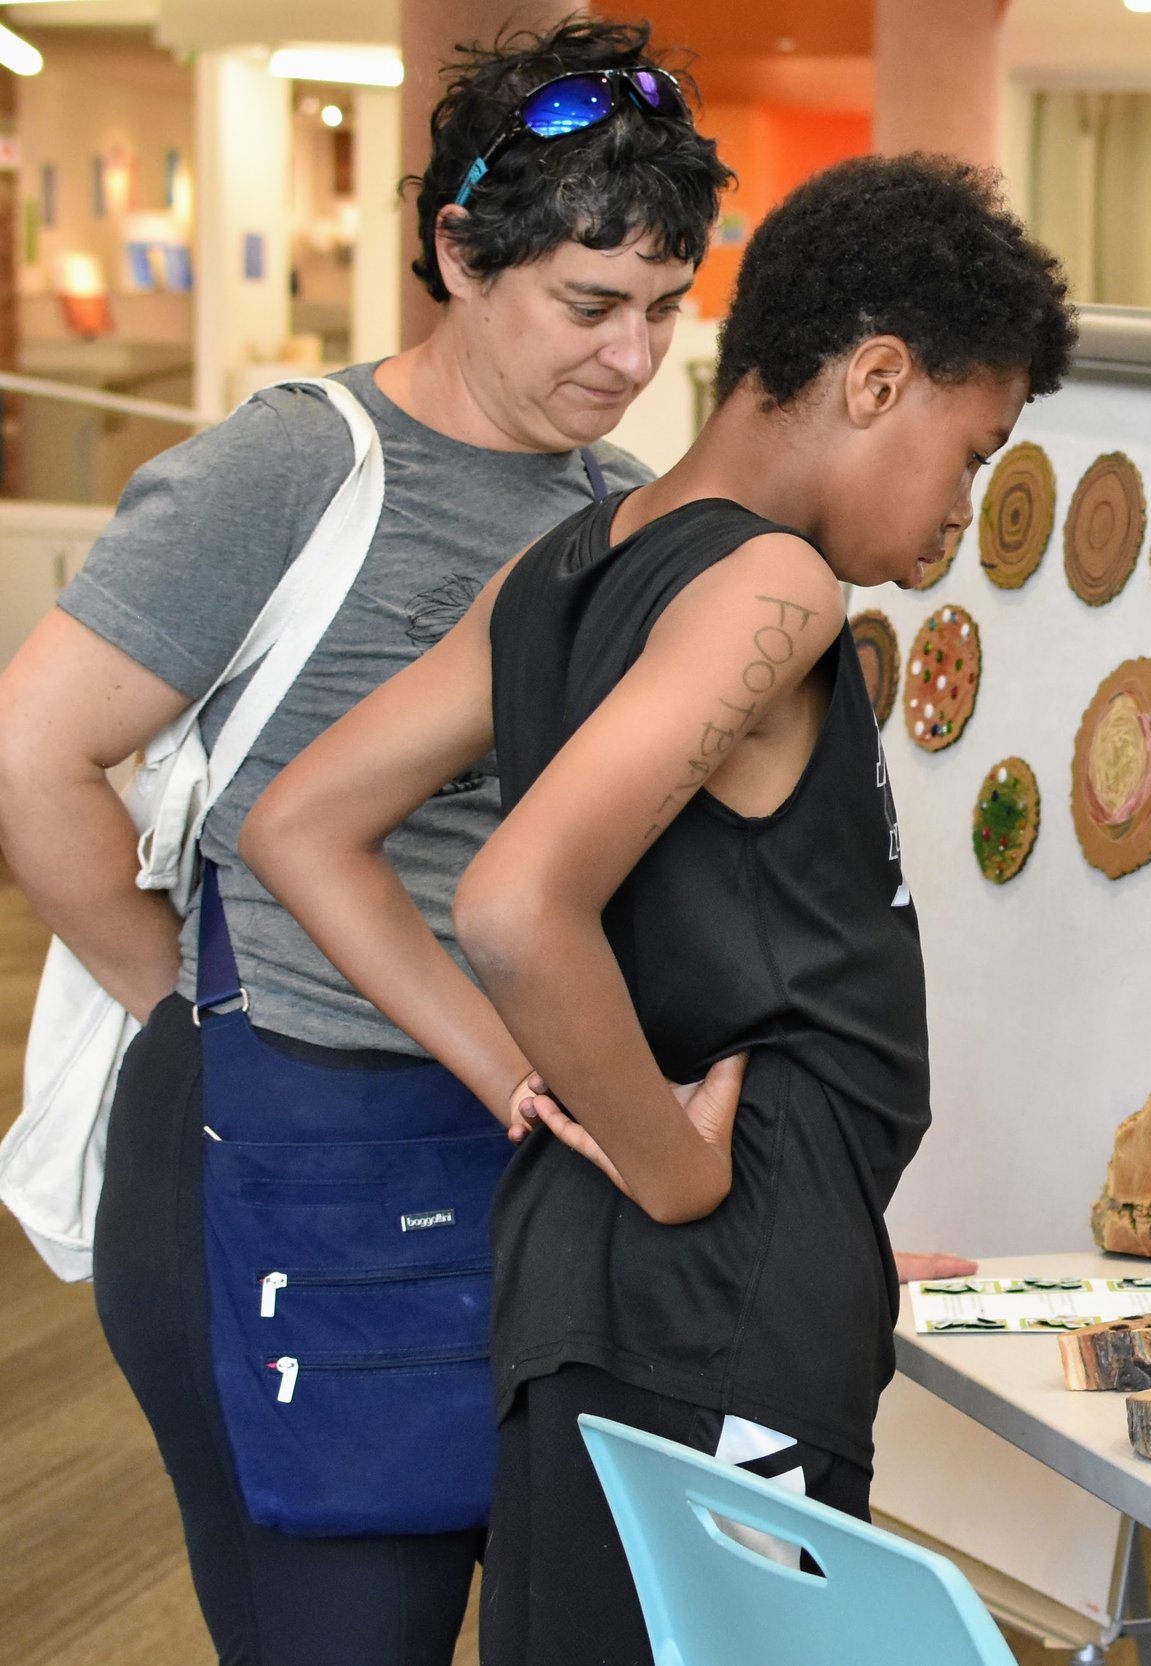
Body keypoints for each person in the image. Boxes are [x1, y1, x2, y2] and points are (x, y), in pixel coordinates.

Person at [241, 154, 1077, 1666]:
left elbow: (301, 823)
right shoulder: (778, 587)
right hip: (712, 1277)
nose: (964, 507)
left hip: (600, 1264)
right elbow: (513, 901)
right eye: (974, 452)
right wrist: (680, 1175)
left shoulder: (563, 563)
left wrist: (524, 1085)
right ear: (879, 378)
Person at [0, 20, 729, 1663]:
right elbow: (33, 752)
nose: (632, 357)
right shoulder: (303, 467)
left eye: (666, 310)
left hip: (514, 1137)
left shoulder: (608, 505)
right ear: (460, 255)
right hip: (290, 1137)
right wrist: (182, 1001)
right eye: (591, 306)